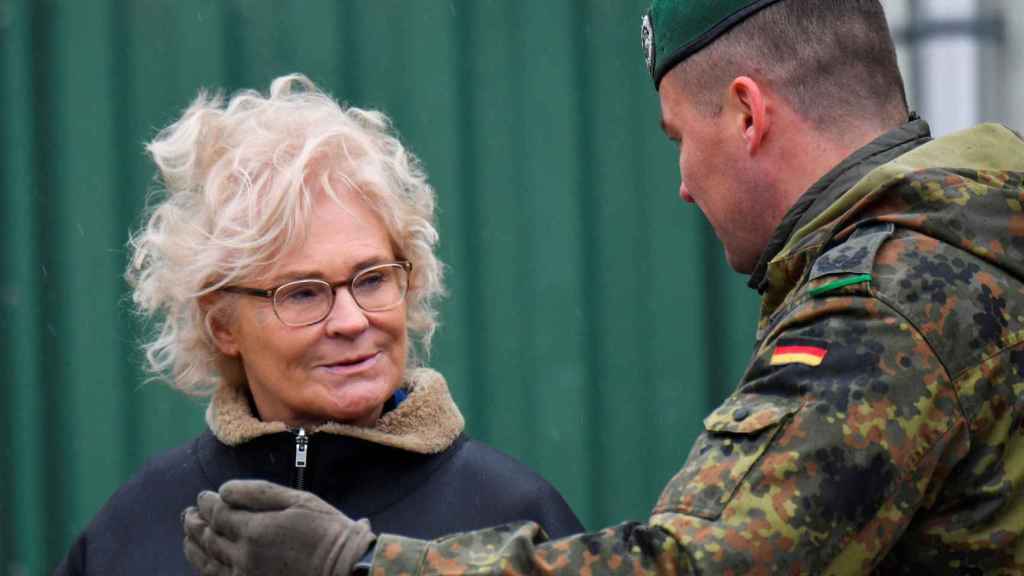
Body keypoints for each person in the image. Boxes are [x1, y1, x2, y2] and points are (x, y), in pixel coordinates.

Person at [183, 1, 1024, 573]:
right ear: (220, 320)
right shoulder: (978, 245)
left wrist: (360, 563)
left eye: (677, 137)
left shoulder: (889, 304)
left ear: (746, 113)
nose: (684, 185)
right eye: (300, 292)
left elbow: (704, 563)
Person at [55, 73, 582, 575]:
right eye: (303, 293)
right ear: (222, 325)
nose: (352, 321)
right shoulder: (139, 524)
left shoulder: (510, 514)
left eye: (372, 279)